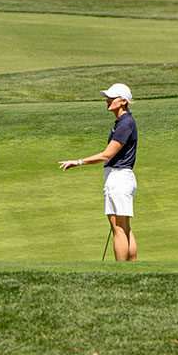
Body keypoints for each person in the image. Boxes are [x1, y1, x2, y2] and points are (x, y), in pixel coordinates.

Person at [58, 83, 138, 261]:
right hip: (122, 177)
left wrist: (78, 161)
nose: (108, 100)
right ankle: (132, 268)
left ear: (123, 101)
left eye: (112, 98)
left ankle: (121, 270)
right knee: (124, 226)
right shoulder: (124, 122)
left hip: (118, 177)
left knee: (118, 228)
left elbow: (106, 155)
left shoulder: (125, 124)